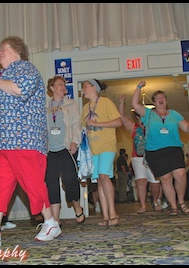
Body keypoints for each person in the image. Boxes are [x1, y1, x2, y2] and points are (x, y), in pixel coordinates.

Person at [0, 36, 60, 248]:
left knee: (32, 182)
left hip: (23, 139)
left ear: (18, 52)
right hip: (1, 141)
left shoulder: (26, 69)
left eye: (4, 49)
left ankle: (50, 222)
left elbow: (19, 89)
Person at [131, 80, 189, 216]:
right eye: (158, 98)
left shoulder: (174, 114)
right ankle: (174, 206)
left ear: (166, 101)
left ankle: (181, 201)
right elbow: (134, 104)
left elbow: (187, 128)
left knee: (180, 174)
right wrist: (139, 87)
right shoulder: (148, 114)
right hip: (155, 152)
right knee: (166, 178)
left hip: (174, 149)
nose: (161, 100)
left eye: (163, 97)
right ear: (153, 102)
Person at [81, 78, 122, 226]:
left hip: (107, 145)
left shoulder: (105, 102)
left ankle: (113, 213)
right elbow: (83, 128)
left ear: (94, 88)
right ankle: (105, 217)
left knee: (104, 176)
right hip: (93, 148)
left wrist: (97, 124)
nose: (83, 89)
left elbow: (118, 122)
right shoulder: (85, 108)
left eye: (85, 87)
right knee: (99, 179)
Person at [45, 75, 84, 225]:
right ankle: (55, 219)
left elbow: (76, 125)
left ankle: (77, 208)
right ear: (52, 88)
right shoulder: (45, 107)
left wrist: (75, 142)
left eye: (63, 84)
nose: (62, 87)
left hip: (66, 148)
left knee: (70, 180)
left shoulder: (71, 104)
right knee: (51, 183)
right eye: (59, 85)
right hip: (50, 151)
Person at [118, 95, 162, 213]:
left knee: (154, 181)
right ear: (137, 117)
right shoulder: (134, 128)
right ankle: (143, 205)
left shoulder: (155, 126)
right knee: (141, 180)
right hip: (138, 157)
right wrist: (122, 102)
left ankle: (155, 201)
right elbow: (122, 117)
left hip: (153, 156)